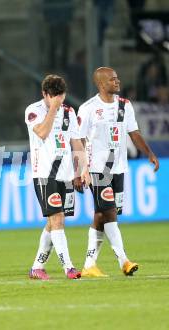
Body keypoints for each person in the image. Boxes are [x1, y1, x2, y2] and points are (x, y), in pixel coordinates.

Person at [77, 67, 159, 277]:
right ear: (101, 84)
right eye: (113, 79)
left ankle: (89, 264)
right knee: (110, 213)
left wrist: (149, 153)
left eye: (117, 78)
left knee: (101, 215)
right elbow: (78, 140)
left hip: (119, 168)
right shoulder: (88, 109)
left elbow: (134, 133)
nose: (117, 81)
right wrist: (81, 170)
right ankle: (124, 260)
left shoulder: (125, 106)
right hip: (98, 169)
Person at [25, 74, 90, 280]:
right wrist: (53, 108)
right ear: (44, 94)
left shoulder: (69, 112)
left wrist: (82, 170)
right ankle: (69, 268)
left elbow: (77, 143)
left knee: (54, 222)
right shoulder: (33, 111)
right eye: (53, 95)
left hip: (65, 175)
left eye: (60, 95)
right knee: (57, 219)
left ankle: (37, 267)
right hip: (44, 175)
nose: (58, 99)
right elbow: (42, 133)